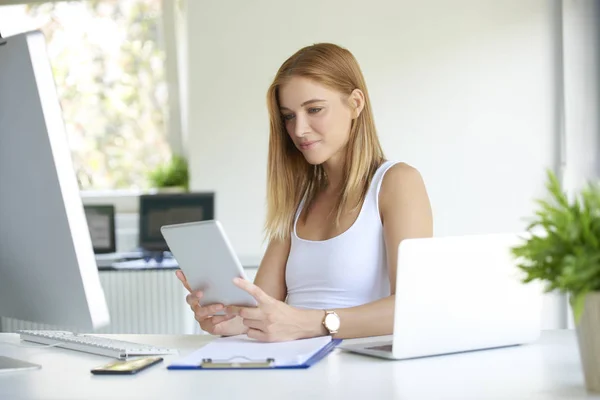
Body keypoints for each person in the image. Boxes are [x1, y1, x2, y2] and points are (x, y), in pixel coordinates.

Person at [176, 43, 433, 342]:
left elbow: (414, 305)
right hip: (295, 369)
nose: (299, 129)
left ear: (355, 103)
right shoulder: (298, 199)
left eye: (314, 110)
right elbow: (262, 311)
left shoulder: (396, 183)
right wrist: (227, 319)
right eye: (288, 116)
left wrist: (315, 323)